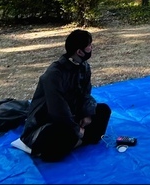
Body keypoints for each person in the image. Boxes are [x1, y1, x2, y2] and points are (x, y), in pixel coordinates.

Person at [19, 29, 111, 162]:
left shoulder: (84, 67)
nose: (92, 48)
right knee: (62, 134)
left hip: (72, 115)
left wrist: (87, 114)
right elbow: (57, 110)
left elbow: (86, 94)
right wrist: (75, 129)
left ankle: (76, 142)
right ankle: (75, 141)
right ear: (79, 52)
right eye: (89, 46)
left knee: (103, 111)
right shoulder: (54, 74)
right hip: (48, 121)